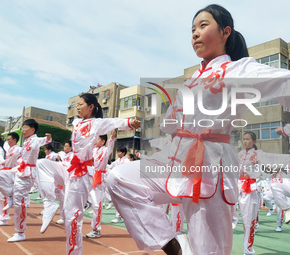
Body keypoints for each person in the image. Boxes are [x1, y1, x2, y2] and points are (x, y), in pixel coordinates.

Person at [106, 4, 290, 255]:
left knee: (209, 250)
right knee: (119, 178)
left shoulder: (239, 69)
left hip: (210, 165)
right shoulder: (193, 78)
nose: (194, 33)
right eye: (192, 29)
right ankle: (173, 245)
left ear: (226, 32)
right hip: (175, 160)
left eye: (203, 26)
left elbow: (285, 83)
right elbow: (171, 121)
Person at [37, 93, 140, 255]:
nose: (77, 107)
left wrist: (129, 122)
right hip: (68, 167)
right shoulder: (77, 121)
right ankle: (49, 202)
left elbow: (113, 122)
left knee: (73, 216)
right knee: (41, 163)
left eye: (80, 104)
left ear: (91, 107)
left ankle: (74, 251)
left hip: (81, 173)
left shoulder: (97, 124)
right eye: (76, 105)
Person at [7, 119, 52, 242]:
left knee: (19, 203)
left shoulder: (36, 140)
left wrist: (48, 138)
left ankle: (20, 232)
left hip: (27, 174)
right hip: (20, 171)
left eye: (25, 127)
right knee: (0, 178)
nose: (23, 129)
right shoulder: (26, 141)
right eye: (22, 127)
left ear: (33, 129)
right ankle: (11, 197)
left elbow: (45, 140)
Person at [86, 130, 115, 238]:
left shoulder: (105, 150)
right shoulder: (95, 150)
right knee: (93, 202)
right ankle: (88, 201)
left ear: (103, 141)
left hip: (100, 178)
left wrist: (112, 138)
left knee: (97, 205)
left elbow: (111, 147)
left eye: (98, 139)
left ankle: (96, 229)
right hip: (93, 176)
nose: (96, 140)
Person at [0, 132, 22, 226]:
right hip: (6, 170)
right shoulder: (10, 149)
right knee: (0, 196)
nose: (8, 141)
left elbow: (23, 159)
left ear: (14, 140)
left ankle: (4, 218)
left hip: (12, 172)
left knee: (4, 197)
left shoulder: (19, 149)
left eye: (9, 139)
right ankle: (2, 217)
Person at [109, 147, 130, 223]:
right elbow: (110, 167)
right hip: (117, 182)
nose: (118, 153)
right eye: (117, 152)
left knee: (123, 200)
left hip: (123, 182)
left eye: (119, 152)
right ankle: (118, 217)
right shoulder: (117, 161)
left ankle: (122, 216)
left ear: (123, 153)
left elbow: (128, 171)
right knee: (118, 200)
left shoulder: (126, 161)